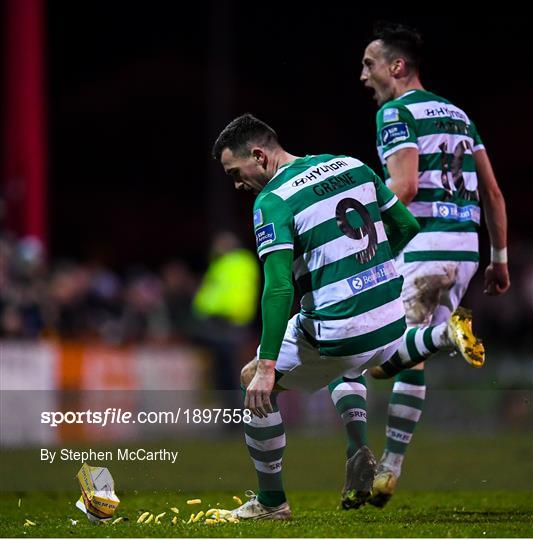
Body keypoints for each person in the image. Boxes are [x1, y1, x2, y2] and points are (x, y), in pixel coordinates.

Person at [212, 113, 481, 520]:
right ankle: (362, 439)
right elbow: (406, 225)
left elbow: (279, 288)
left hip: (341, 332)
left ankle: (271, 504)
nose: (236, 184)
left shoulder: (273, 200)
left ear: (259, 156)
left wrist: (267, 365)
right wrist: (369, 272)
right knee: (351, 360)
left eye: (236, 172)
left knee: (256, 381)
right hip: (390, 318)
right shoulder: (351, 164)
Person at [359, 21, 511, 507]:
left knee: (382, 357)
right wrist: (499, 257)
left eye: (369, 64)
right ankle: (390, 468)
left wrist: (361, 231)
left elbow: (403, 187)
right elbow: (491, 192)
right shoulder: (460, 115)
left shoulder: (395, 114)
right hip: (465, 248)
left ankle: (449, 335)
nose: (363, 75)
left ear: (397, 67)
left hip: (424, 244)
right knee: (411, 358)